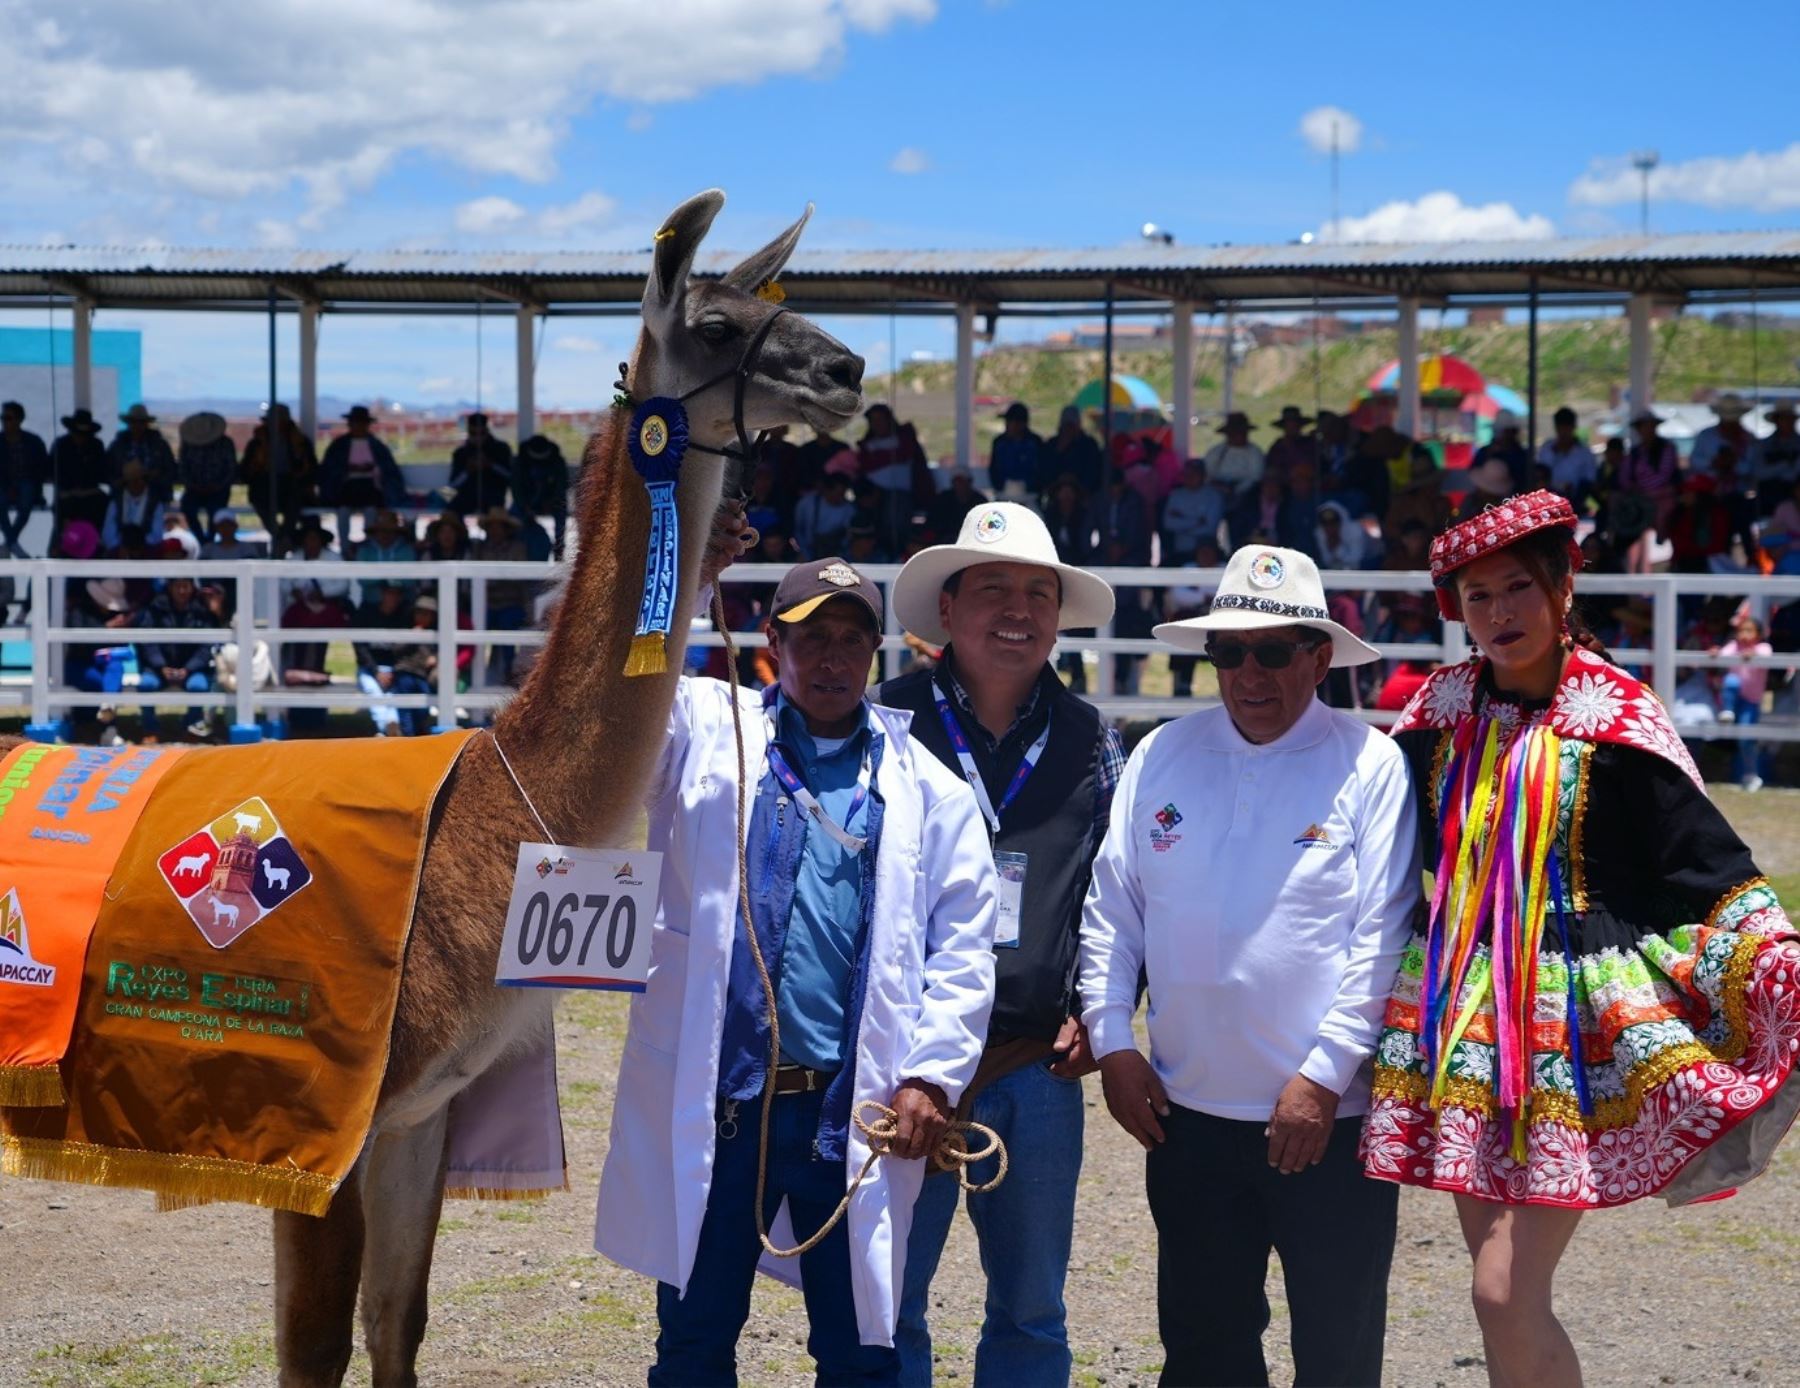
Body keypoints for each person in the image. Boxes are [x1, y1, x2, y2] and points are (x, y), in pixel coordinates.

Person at [1363, 490, 1800, 1388]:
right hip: (1460, 1018)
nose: (1498, 614)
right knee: (1505, 1299)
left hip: (1569, 1031)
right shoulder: (1440, 716)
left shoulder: (1614, 719)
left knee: (1500, 1290)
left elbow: (1706, 867)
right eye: (1476, 597)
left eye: (1517, 587)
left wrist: (1777, 963)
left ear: (1564, 589)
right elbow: (1369, 836)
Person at [595, 549, 999, 1386]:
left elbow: (963, 950)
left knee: (859, 1356)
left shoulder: (928, 789)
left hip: (849, 1114)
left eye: (853, 640)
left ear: (876, 655)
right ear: (774, 642)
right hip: (725, 1104)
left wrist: (930, 1077)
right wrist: (675, 568)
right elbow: (619, 689)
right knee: (694, 1339)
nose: (833, 659)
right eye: (813, 639)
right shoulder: (708, 734)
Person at [1081, 544, 1419, 1388]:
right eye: (1228, 650)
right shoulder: (1160, 752)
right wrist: (1113, 1041)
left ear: (1318, 657)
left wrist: (1324, 1075)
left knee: (1337, 1356)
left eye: (1272, 651)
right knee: (1203, 1350)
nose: (1249, 671)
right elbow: (1112, 911)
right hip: (1187, 1118)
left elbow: (1382, 938)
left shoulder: (1369, 763)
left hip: (1329, 1125)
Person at [881, 502, 1120, 1386]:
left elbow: (1116, 894)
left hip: (1035, 1069)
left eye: (1037, 592)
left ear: (1058, 615)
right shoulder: (885, 725)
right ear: (948, 609)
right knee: (890, 1301)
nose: (1017, 611)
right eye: (992, 590)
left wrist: (1105, 1012)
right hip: (904, 1071)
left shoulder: (1094, 740)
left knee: (1032, 1309)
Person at [133, 574, 219, 742]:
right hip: (158, 669)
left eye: (185, 586)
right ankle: (150, 729)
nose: (181, 591)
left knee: (199, 686)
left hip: (192, 669)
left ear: (192, 588)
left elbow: (206, 647)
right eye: (177, 586)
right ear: (170, 588)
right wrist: (161, 666)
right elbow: (147, 642)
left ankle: (191, 727)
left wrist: (189, 668)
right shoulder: (156, 608)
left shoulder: (201, 611)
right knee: (146, 684)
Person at [353, 581, 432, 736]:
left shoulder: (403, 618)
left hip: (394, 669)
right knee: (373, 690)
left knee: (393, 695)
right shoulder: (367, 614)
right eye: (390, 593)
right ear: (382, 594)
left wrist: (393, 670)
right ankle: (386, 728)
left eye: (397, 594)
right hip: (371, 669)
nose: (393, 598)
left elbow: (403, 652)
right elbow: (360, 649)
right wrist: (376, 672)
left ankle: (389, 729)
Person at [858, 403, 933, 556]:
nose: (877, 424)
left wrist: (878, 457)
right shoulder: (867, 444)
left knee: (896, 523)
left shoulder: (904, 438)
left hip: (901, 495)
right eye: (873, 420)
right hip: (874, 495)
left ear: (889, 420)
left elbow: (904, 453)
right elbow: (865, 465)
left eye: (880, 419)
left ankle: (897, 557)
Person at [241, 402, 318, 547]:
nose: (276, 425)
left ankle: (285, 537)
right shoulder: (257, 442)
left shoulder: (299, 442)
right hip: (265, 488)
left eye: (280, 420)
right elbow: (245, 470)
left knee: (296, 500)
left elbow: (311, 469)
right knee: (259, 499)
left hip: (292, 488)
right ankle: (279, 537)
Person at [319, 404, 406, 531]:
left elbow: (389, 470)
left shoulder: (377, 446)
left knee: (371, 509)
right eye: (355, 423)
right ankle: (345, 547)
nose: (358, 426)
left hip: (371, 487)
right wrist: (346, 471)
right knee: (343, 510)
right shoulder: (339, 446)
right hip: (346, 487)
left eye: (361, 423)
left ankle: (367, 542)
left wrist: (375, 470)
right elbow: (329, 470)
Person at [1714, 612, 1774, 790]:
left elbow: (1766, 657)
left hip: (1751, 700)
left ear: (1759, 634)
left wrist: (1753, 654)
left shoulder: (1763, 647)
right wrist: (1716, 652)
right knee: (1731, 681)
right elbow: (1723, 655)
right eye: (1741, 630)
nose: (1744, 635)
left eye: (1749, 630)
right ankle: (1728, 710)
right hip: (1734, 697)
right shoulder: (1734, 646)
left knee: (1746, 739)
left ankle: (1751, 774)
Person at [177, 411, 238, 541]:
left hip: (219, 490)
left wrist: (218, 485)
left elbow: (231, 468)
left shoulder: (225, 444)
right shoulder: (188, 445)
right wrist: (193, 485)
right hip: (194, 489)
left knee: (216, 511)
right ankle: (201, 539)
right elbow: (182, 468)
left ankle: (210, 539)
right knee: (187, 508)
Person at [50, 407, 111, 531]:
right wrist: (70, 490)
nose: (81, 437)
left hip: (90, 492)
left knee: (103, 505)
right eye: (77, 433)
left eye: (84, 435)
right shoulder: (61, 445)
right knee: (63, 509)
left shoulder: (96, 446)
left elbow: (100, 472)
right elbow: (52, 471)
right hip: (66, 493)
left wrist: (85, 490)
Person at [0, 401, 48, 556]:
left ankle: (10, 541)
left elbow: (41, 469)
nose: (5, 422)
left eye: (9, 418)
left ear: (19, 420)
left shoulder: (33, 442)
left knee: (27, 492)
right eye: (3, 418)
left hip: (28, 485)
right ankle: (13, 543)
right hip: (3, 486)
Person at [513, 434, 571, 557]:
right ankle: (516, 545)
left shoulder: (557, 460)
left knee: (561, 509)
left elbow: (562, 486)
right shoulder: (520, 461)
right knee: (515, 513)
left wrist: (552, 501)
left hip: (551, 501)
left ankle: (559, 546)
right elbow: (516, 488)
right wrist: (525, 506)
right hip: (526, 501)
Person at [447, 412, 513, 516]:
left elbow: (510, 476)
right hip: (467, 495)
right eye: (473, 433)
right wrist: (467, 471)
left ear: (487, 431)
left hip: (494, 496)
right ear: (468, 432)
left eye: (481, 433)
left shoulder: (502, 448)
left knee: (496, 511)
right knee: (447, 503)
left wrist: (491, 465)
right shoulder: (460, 453)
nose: (478, 437)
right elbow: (452, 484)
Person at [108, 403, 177, 502]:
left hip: (155, 494)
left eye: (141, 422)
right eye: (134, 422)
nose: (137, 426)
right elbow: (107, 470)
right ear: (129, 423)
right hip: (123, 494)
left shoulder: (160, 445)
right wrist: (122, 480)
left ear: (146, 424)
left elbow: (171, 471)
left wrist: (154, 476)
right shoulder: (118, 445)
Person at [1160, 458, 1224, 562]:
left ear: (1203, 476)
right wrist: (1197, 521)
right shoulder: (1176, 495)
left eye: (1194, 474)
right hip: (1180, 551)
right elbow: (1169, 524)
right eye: (1186, 474)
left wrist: (1182, 520)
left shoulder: (1214, 496)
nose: (1189, 477)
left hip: (1205, 554)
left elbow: (1210, 528)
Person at [1690, 392, 1763, 480]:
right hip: (1708, 486)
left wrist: (1733, 462)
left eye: (1732, 420)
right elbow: (1695, 461)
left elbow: (1753, 467)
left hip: (1739, 489)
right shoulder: (1705, 435)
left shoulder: (1748, 439)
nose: (1728, 424)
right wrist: (1714, 462)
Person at [1037, 406, 1103, 497]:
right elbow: (1045, 472)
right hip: (1056, 494)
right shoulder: (1052, 445)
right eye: (1067, 426)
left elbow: (1093, 472)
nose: (1069, 430)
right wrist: (1059, 451)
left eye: (1072, 426)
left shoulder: (1089, 445)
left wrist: (1076, 483)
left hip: (1083, 495)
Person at [99, 461, 165, 553]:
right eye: (134, 480)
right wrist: (120, 547)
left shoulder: (155, 503)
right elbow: (108, 533)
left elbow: (156, 535)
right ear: (127, 483)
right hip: (119, 550)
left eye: (142, 479)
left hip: (145, 551)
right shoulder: (116, 502)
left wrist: (139, 547)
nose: (139, 483)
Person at [793, 466, 856, 560]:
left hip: (837, 555)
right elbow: (797, 530)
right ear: (826, 490)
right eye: (838, 493)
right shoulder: (806, 504)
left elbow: (849, 537)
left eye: (843, 494)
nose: (840, 497)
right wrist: (803, 552)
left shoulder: (849, 510)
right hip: (808, 552)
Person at [1536, 407, 1597, 502]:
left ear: (1573, 427)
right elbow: (1540, 475)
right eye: (1561, 428)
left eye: (1567, 428)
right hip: (1547, 500)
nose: (1564, 432)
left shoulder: (1584, 453)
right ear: (1556, 428)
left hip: (1575, 501)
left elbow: (1589, 480)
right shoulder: (1547, 449)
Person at [1202, 411, 1265, 500]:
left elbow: (1256, 477)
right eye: (1235, 433)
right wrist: (1218, 486)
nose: (1239, 436)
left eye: (1242, 433)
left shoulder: (1255, 453)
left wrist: (1236, 489)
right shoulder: (1216, 452)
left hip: (1246, 495)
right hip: (1217, 492)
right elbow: (1208, 474)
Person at [1754, 401, 1800, 518]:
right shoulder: (1763, 445)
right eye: (1783, 419)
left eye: (1790, 419)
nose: (1787, 423)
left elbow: (1794, 473)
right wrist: (1782, 466)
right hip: (1769, 497)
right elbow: (1758, 473)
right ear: (1776, 420)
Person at [988, 403, 1042, 498]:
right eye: (1008, 421)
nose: (1008, 424)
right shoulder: (999, 442)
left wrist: (1030, 487)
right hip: (1003, 495)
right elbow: (994, 469)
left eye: (1012, 421)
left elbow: (1040, 470)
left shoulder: (1035, 443)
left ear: (1023, 423)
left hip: (1029, 496)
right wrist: (1000, 486)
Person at [1472, 410, 1530, 494]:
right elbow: (1474, 471)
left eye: (1502, 432)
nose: (1498, 435)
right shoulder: (1484, 451)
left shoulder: (1521, 455)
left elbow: (1522, 479)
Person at [925, 467, 987, 542]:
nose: (959, 484)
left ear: (970, 482)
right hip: (944, 540)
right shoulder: (943, 499)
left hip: (972, 540)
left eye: (962, 481)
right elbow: (932, 523)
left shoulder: (980, 500)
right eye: (956, 481)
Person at [1263, 406, 1319, 482]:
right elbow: (1271, 470)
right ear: (1284, 427)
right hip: (1285, 488)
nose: (1292, 427)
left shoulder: (1310, 443)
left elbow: (1319, 466)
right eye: (1289, 424)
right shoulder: (1278, 446)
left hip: (1310, 486)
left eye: (1295, 424)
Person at [199, 510, 265, 561]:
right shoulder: (208, 550)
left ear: (236, 526)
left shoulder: (247, 549)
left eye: (229, 525)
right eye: (222, 526)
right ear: (216, 528)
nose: (226, 529)